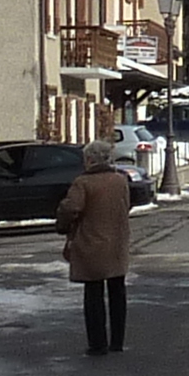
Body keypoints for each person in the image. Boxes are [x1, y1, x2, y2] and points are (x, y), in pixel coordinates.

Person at [54, 141, 134, 356]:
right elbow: (126, 205)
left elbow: (71, 208)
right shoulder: (120, 180)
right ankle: (117, 341)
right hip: (117, 242)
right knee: (117, 290)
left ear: (90, 160)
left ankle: (98, 343)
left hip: (91, 242)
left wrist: (62, 224)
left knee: (93, 292)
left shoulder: (83, 183)